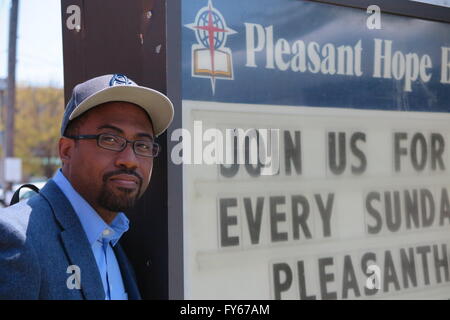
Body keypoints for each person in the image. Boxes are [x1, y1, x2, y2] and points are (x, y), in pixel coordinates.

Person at [0, 74, 174, 300]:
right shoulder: (16, 238)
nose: (129, 159)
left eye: (142, 144)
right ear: (66, 151)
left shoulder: (113, 237)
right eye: (110, 139)